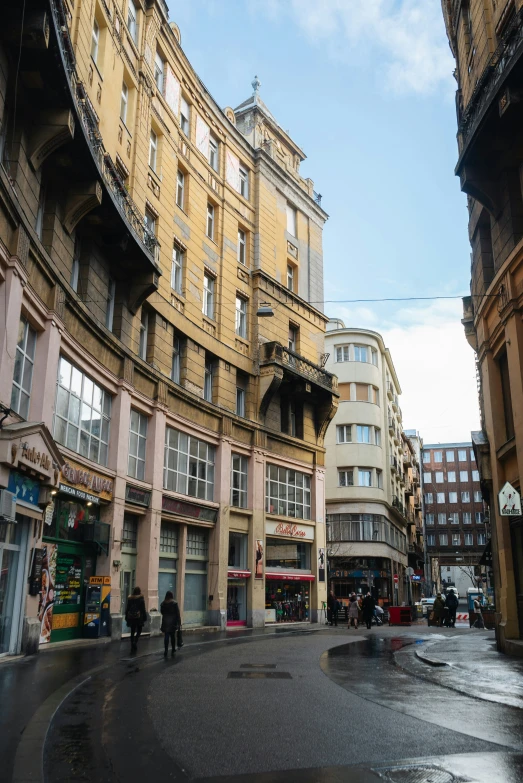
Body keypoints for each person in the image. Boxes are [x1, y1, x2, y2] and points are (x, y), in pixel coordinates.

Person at [125, 586, 147, 653]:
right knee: (139, 630)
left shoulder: (130, 598)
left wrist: (126, 616)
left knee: (132, 630)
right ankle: (135, 641)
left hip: (131, 617)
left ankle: (132, 644)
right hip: (139, 617)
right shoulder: (141, 598)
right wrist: (145, 617)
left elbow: (127, 608)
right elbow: (143, 609)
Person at [160, 590, 181, 657]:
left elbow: (162, 612)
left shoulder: (163, 603)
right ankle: (173, 649)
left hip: (165, 621)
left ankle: (166, 650)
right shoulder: (174, 603)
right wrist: (179, 622)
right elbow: (177, 614)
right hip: (172, 621)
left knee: (166, 636)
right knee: (172, 636)